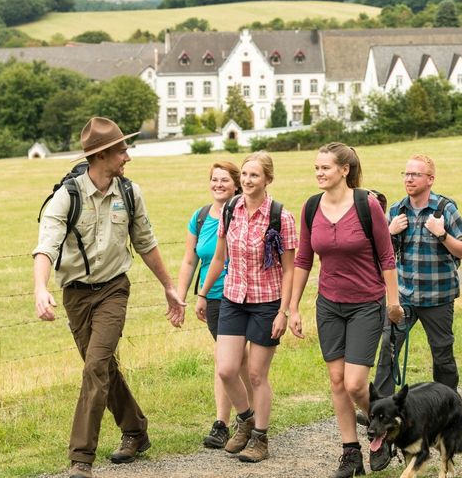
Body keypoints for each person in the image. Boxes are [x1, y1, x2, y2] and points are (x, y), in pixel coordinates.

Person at [33, 117, 185, 478]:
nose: (127, 156)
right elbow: (46, 247)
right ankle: (135, 430)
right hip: (76, 295)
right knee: (102, 367)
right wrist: (41, 288)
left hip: (114, 289)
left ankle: (80, 459)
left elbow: (146, 243)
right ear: (101, 155)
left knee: (95, 366)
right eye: (121, 150)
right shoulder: (66, 197)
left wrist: (168, 285)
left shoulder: (130, 193)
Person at [289, 143, 402, 478]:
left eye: (325, 168)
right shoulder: (311, 207)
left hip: (366, 304)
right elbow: (303, 260)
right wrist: (292, 307)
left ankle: (385, 427)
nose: (319, 173)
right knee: (337, 380)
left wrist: (393, 302)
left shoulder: (366, 204)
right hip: (328, 305)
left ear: (344, 170)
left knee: (355, 384)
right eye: (316, 168)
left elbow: (386, 257)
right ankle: (350, 452)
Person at [368, 154, 462, 471]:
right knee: (388, 352)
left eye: (417, 174)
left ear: (430, 179)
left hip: (438, 296)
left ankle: (449, 417)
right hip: (404, 298)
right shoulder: (396, 210)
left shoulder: (444, 209)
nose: (410, 179)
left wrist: (442, 233)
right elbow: (380, 254)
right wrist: (389, 230)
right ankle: (383, 421)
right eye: (406, 174)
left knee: (442, 356)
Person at [197, 151, 298, 463]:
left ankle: (260, 438)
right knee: (227, 369)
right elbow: (219, 258)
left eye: (255, 175)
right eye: (245, 175)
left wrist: (284, 310)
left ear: (267, 179)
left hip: (266, 303)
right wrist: (202, 294)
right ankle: (246, 419)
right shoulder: (231, 209)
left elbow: (290, 269)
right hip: (232, 299)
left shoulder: (281, 216)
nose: (248, 180)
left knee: (256, 374)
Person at [174, 162, 254, 449]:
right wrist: (181, 296)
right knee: (233, 360)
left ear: (236, 185)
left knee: (230, 361)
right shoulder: (199, 218)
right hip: (215, 299)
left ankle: (226, 422)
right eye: (214, 179)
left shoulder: (244, 215)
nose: (218, 184)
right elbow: (189, 260)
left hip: (245, 296)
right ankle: (249, 419)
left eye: (224, 180)